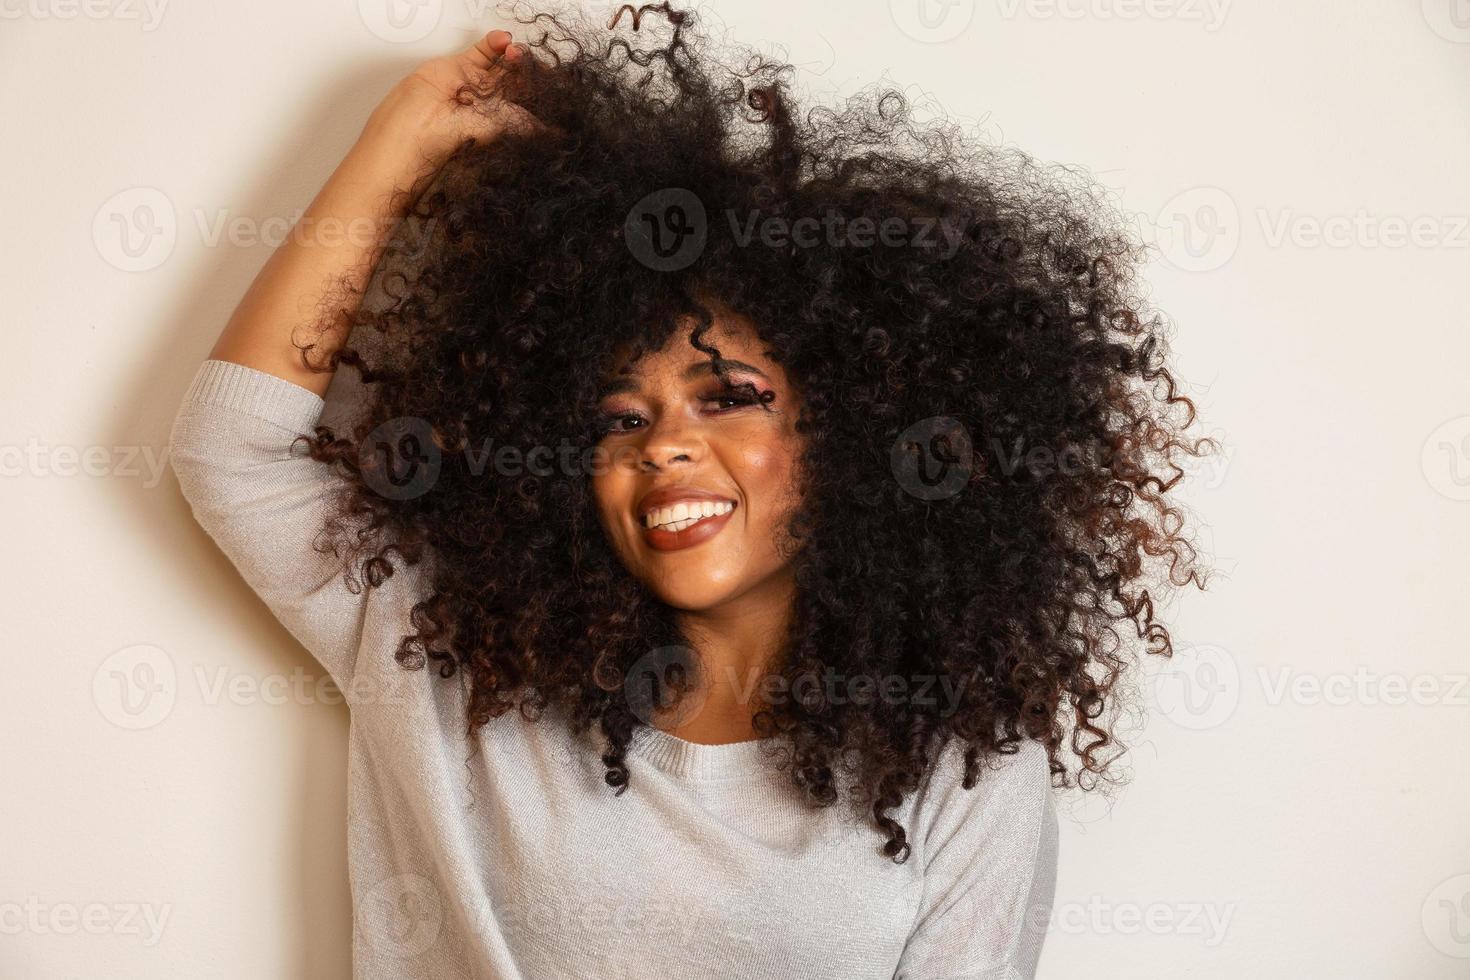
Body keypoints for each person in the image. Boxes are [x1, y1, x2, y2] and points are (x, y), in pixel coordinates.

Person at [168, 4, 1209, 976]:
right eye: (620, 417)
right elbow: (230, 447)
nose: (664, 446)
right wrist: (396, 149)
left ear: (847, 428)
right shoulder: (441, 655)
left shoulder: (961, 756)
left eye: (728, 397)